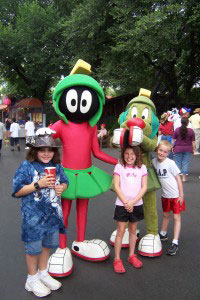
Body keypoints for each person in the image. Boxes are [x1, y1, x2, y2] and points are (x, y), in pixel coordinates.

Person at [12, 130, 69, 297]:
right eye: (42, 150)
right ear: (34, 151)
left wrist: (61, 188)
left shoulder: (57, 166)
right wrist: (38, 184)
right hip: (33, 218)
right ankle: (31, 278)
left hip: (51, 215)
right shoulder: (27, 166)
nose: (46, 153)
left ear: (54, 152)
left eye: (50, 150)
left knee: (47, 245)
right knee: (33, 248)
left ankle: (43, 273)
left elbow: (65, 181)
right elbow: (17, 191)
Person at [113, 146, 147, 273]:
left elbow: (144, 187)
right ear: (123, 154)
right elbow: (116, 186)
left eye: (132, 153)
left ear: (137, 155)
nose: (129, 156)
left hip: (136, 204)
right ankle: (117, 259)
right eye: (126, 153)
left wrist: (133, 202)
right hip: (122, 204)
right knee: (121, 231)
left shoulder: (142, 167)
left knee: (133, 230)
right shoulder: (119, 166)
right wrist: (127, 202)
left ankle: (131, 255)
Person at [152, 140, 185, 256]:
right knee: (165, 215)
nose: (162, 153)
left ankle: (175, 242)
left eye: (165, 152)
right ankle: (163, 233)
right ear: (157, 149)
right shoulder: (154, 162)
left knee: (176, 217)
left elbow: (178, 179)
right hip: (165, 196)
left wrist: (181, 194)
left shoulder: (170, 163)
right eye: (160, 150)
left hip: (175, 195)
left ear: (168, 153)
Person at [172, 117, 195, 182]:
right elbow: (193, 142)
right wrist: (193, 149)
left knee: (178, 163)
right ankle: (184, 178)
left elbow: (173, 140)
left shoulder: (177, 130)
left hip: (178, 148)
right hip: (188, 148)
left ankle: (178, 178)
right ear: (187, 123)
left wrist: (172, 147)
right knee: (185, 163)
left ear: (181, 122)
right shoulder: (191, 131)